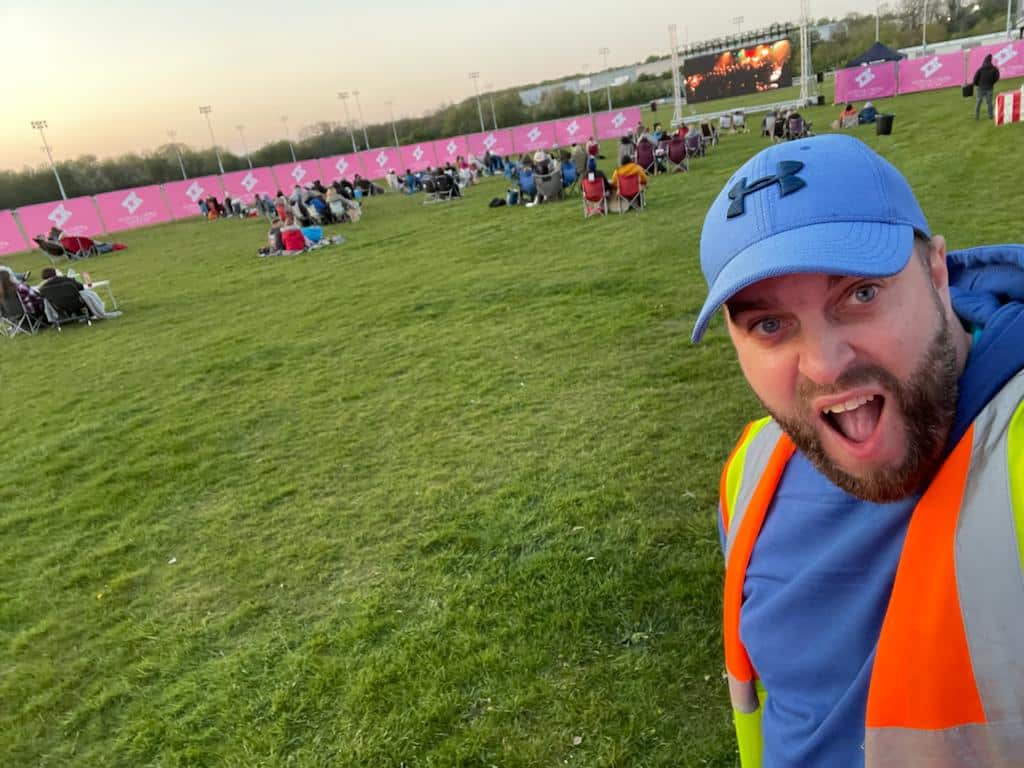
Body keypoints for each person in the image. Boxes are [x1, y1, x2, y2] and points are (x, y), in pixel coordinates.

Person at [691, 134, 1024, 767]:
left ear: (936, 273)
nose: (824, 365)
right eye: (769, 326)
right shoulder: (753, 471)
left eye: (860, 295)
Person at [38, 267, 120, 319]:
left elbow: (42, 297)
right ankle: (98, 310)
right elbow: (81, 287)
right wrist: (64, 276)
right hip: (77, 303)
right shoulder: (66, 281)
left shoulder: (43, 288)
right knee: (87, 293)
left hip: (60, 306)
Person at [972, 53, 1000, 120]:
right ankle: (991, 116)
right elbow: (997, 77)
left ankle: (976, 116)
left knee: (978, 102)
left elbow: (975, 79)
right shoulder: (994, 69)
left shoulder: (980, 69)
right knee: (989, 103)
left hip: (980, 88)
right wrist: (992, 83)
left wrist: (977, 84)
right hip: (989, 88)